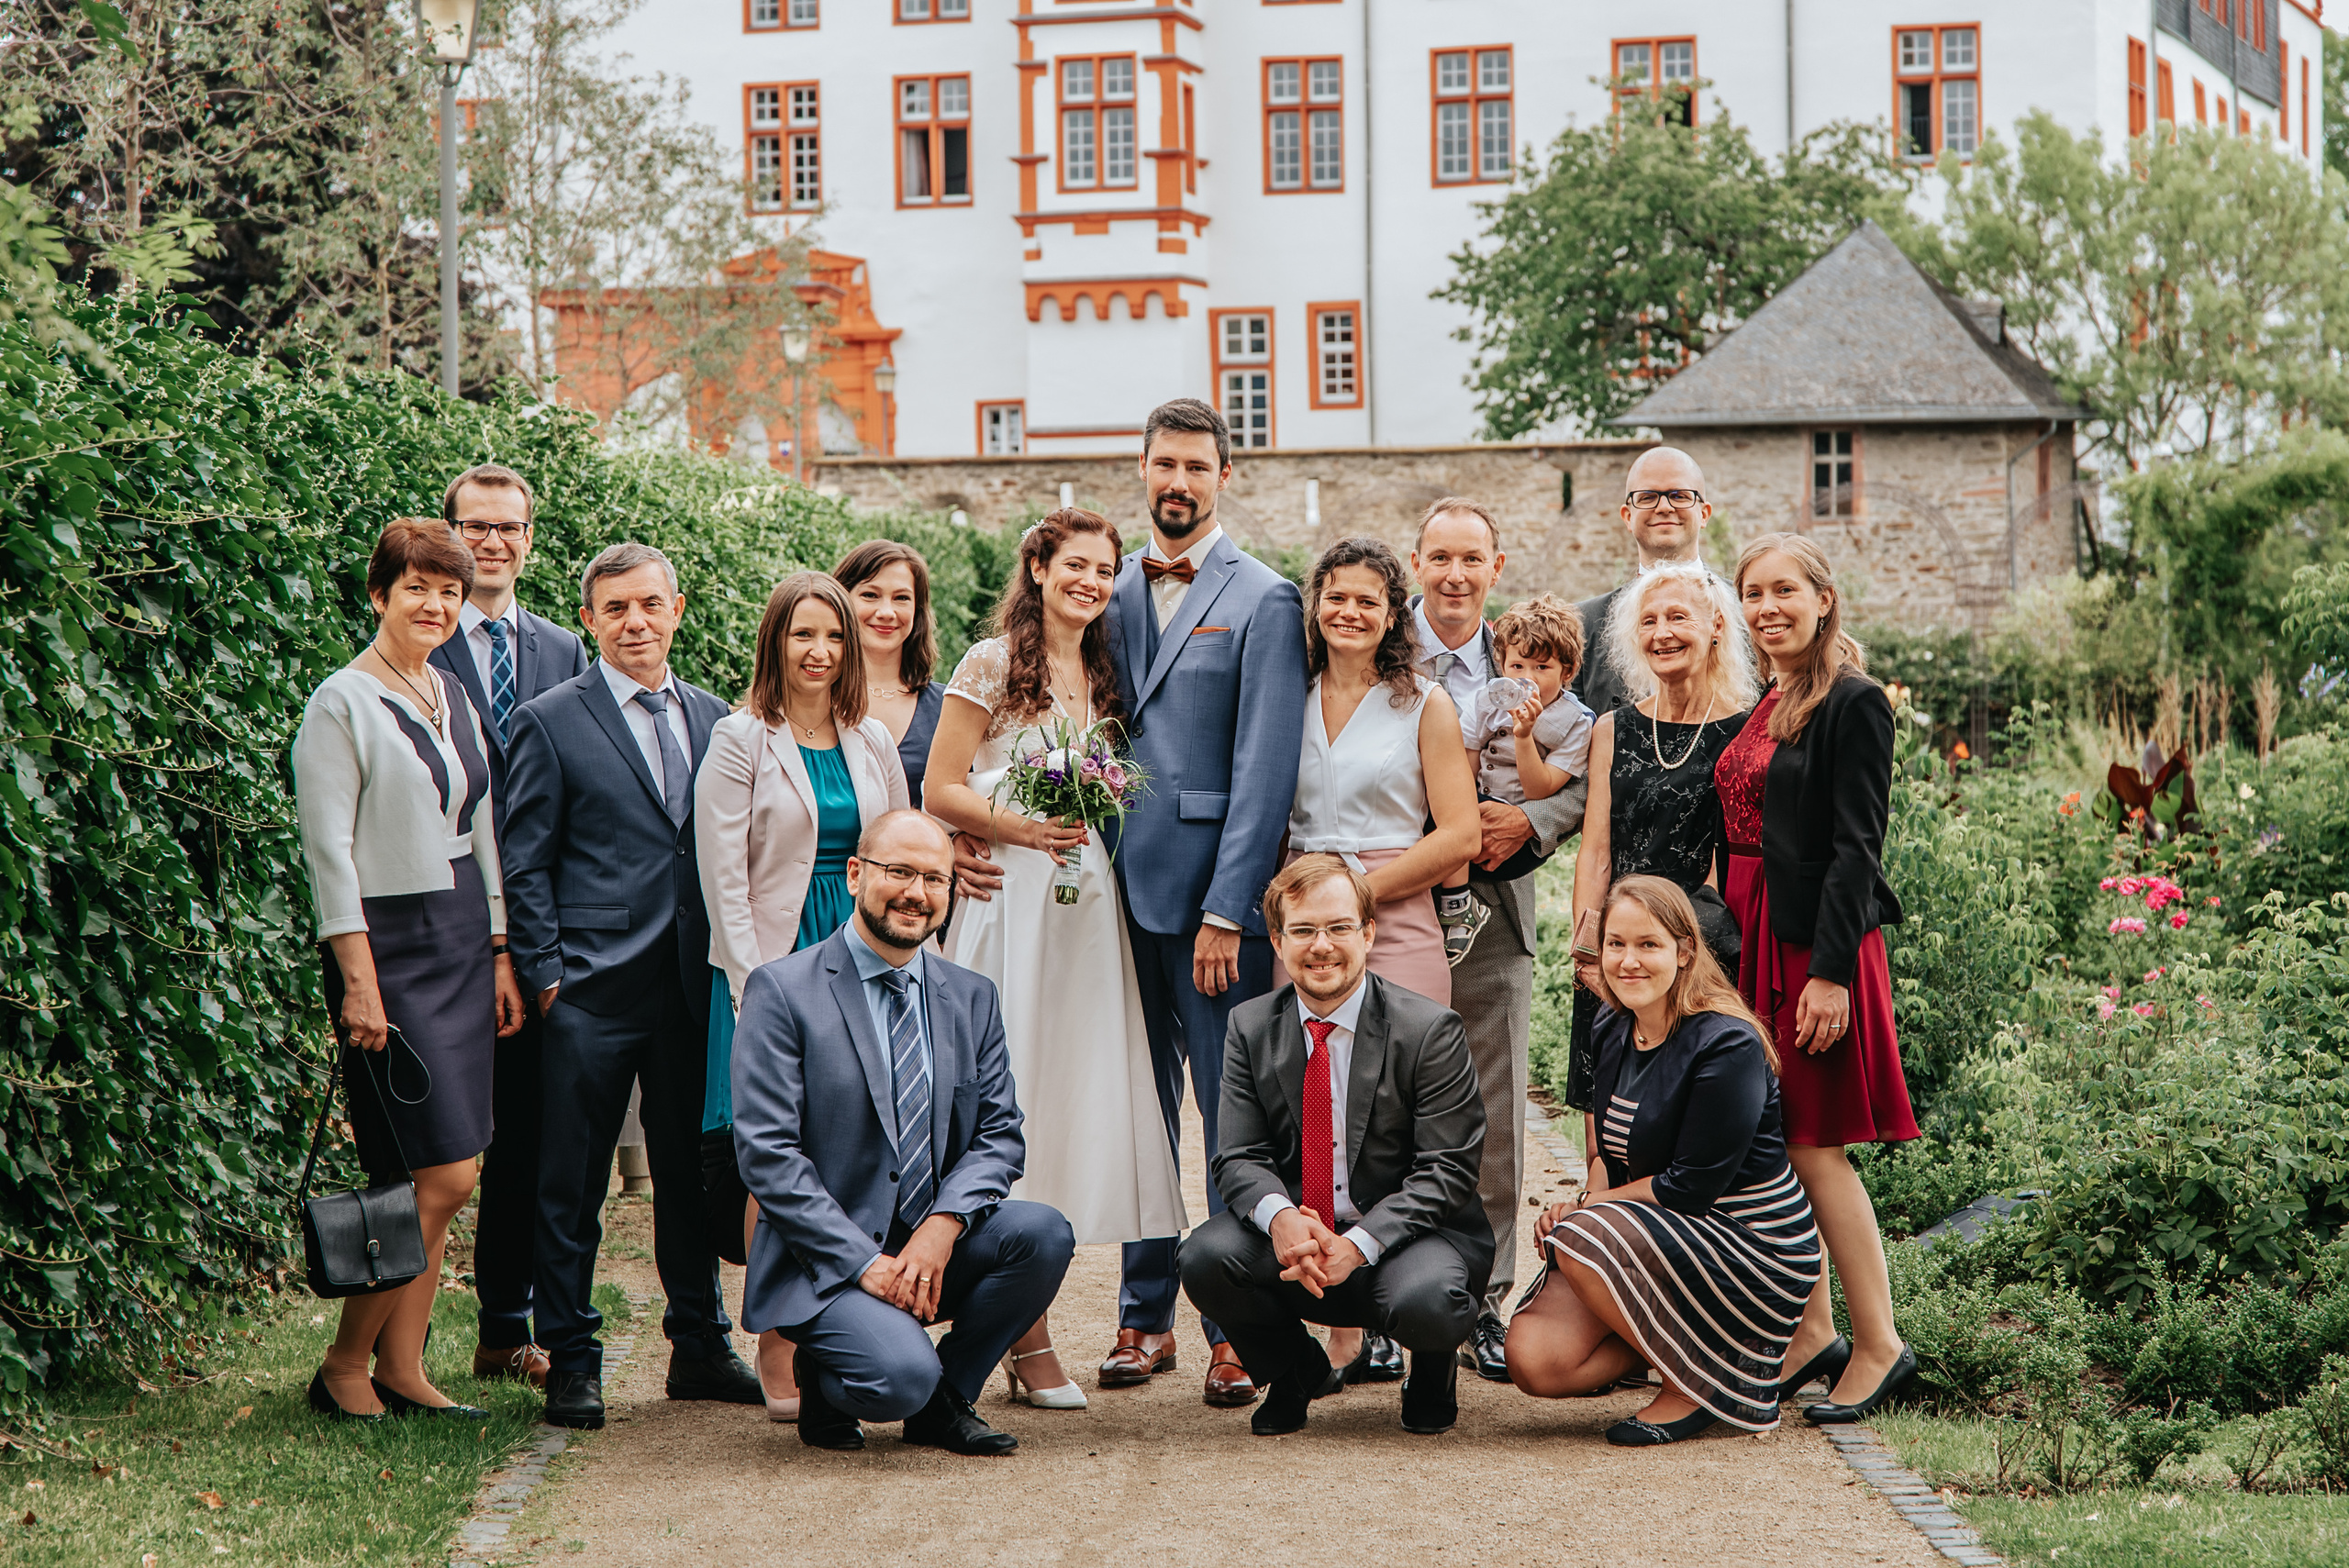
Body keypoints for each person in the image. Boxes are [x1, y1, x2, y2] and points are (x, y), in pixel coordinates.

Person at [924, 508, 1187, 1411]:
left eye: (1104, 568)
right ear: (1037, 565)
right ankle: (1024, 1341)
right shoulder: (992, 661)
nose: (1091, 579)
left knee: (1074, 1097)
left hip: (1084, 905)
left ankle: (1025, 1313)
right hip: (1013, 903)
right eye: (1074, 563)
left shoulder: (1103, 671)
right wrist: (1016, 826)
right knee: (1014, 1093)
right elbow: (940, 784)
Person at [502, 542, 760, 1429]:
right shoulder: (548, 720)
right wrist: (545, 978)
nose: (634, 622)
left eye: (649, 604)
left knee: (688, 1177)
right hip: (589, 996)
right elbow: (524, 862)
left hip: (693, 990)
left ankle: (700, 1344)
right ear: (591, 621)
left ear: (677, 607)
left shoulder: (721, 719)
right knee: (570, 1183)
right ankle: (572, 1354)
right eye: (615, 609)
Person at [730, 809, 1076, 1456]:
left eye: (935, 879)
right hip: (825, 1258)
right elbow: (768, 1157)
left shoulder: (971, 996)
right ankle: (850, 1378)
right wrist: (864, 1262)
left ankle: (943, 1400)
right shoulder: (782, 990)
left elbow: (1000, 1133)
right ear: (856, 874)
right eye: (900, 872)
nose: (917, 892)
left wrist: (942, 1227)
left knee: (1043, 1233)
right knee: (896, 1377)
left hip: (925, 1242)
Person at [1101, 398, 1308, 1407]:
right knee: (1139, 1113)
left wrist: (1232, 906)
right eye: (1162, 463)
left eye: (1196, 464)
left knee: (1231, 1123)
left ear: (1225, 476)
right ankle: (1145, 1316)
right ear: (1139, 470)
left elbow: (1264, 767)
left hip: (1213, 910)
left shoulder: (1266, 598)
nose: (1176, 480)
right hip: (1108, 900)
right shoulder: (1102, 591)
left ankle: (1235, 1323)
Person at [294, 518, 524, 1421]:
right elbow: (329, 855)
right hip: (386, 944)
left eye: (450, 591)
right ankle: (347, 1362)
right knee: (433, 1172)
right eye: (417, 587)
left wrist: (500, 947)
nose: (435, 604)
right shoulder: (339, 702)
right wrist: (356, 976)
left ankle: (404, 1367)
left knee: (454, 1162)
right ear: (378, 593)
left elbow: (483, 829)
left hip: (462, 936)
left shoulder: (451, 694)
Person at [696, 572, 910, 1421]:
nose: (818, 653)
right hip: (774, 965)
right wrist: (756, 990)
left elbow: (901, 851)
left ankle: (843, 1322)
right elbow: (724, 880)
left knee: (850, 1140)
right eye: (801, 636)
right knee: (774, 1155)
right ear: (774, 643)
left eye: (832, 637)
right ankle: (777, 1335)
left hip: (860, 950)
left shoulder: (873, 742)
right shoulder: (740, 737)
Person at [1179, 854, 1491, 1438]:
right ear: (1276, 940)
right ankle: (1297, 1371)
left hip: (1406, 1241)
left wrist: (1359, 1244)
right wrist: (1282, 1223)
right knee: (1203, 1258)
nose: (1321, 946)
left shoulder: (1429, 1029)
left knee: (1431, 1303)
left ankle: (1432, 1365)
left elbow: (1447, 1172)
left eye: (1339, 927)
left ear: (1368, 932)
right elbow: (1238, 1156)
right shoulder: (1250, 1026)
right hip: (1303, 1240)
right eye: (1302, 930)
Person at [1506, 875, 1821, 1445]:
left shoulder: (1727, 1044)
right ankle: (1678, 1341)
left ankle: (1704, 1388)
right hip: (1668, 1229)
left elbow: (1692, 1187)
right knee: (1536, 1359)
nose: (1628, 961)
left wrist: (1588, 1214)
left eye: (1647, 944)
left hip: (1752, 1241)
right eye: (1615, 944)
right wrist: (1584, 1200)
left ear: (1685, 951)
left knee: (1582, 1237)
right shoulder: (1610, 1025)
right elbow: (1607, 1153)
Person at [1720, 533, 1919, 1423]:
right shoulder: (1772, 695)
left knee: (1813, 1142)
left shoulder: (1854, 701)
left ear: (1823, 598)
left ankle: (1878, 1343)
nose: (1767, 607)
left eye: (1784, 591)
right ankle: (1810, 1334)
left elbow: (1855, 846)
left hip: (1813, 945)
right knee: (1775, 1137)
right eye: (1752, 593)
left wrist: (1830, 975)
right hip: (1753, 932)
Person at [1405, 498, 1589, 1385]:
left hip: (1493, 910)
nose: (1454, 574)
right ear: (1416, 562)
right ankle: (1373, 1303)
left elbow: (1591, 770)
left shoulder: (1527, 656)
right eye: (1440, 557)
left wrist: (1530, 817)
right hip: (1392, 903)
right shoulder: (1372, 643)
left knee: (1493, 1108)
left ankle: (1484, 1297)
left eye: (1470, 558)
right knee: (1378, 1103)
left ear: (1496, 567)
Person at [426, 462, 589, 1390]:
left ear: (531, 536)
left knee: (528, 1139)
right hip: (444, 928)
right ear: (450, 533)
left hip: (535, 929)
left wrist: (541, 944)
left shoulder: (567, 650)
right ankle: (392, 1330)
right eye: (475, 526)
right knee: (442, 1143)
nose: (493, 542)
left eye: (509, 527)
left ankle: (504, 1324)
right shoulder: (414, 643)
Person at [1565, 557, 1755, 1118]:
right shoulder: (1613, 727)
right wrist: (1588, 954)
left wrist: (1683, 962)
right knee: (1608, 1115)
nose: (1662, 633)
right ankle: (1604, 1203)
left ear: (1716, 625)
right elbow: (1596, 849)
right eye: (1648, 622)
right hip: (1616, 950)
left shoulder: (1746, 730)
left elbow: (1734, 860)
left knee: (1688, 1112)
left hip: (1702, 953)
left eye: (1678, 617)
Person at [1441, 592, 1596, 940]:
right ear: (1502, 665)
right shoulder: (1490, 698)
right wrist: (1458, 811)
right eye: (1517, 667)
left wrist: (1525, 738)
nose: (1528, 678)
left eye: (1542, 668)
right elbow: (1467, 753)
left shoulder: (1577, 722)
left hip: (1520, 842)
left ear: (1567, 671)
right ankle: (1457, 904)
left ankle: (1457, 905)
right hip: (1479, 806)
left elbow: (1540, 789)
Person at [1573, 448, 1714, 721]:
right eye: (1648, 497)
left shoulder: (1747, 612)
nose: (1664, 507)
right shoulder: (1583, 626)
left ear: (1704, 513)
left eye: (1679, 496)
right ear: (1627, 516)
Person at [833, 540, 951, 808]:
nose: (886, 612)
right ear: (840, 601)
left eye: (901, 598)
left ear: (917, 610)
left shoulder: (948, 707)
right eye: (870, 595)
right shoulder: (812, 697)